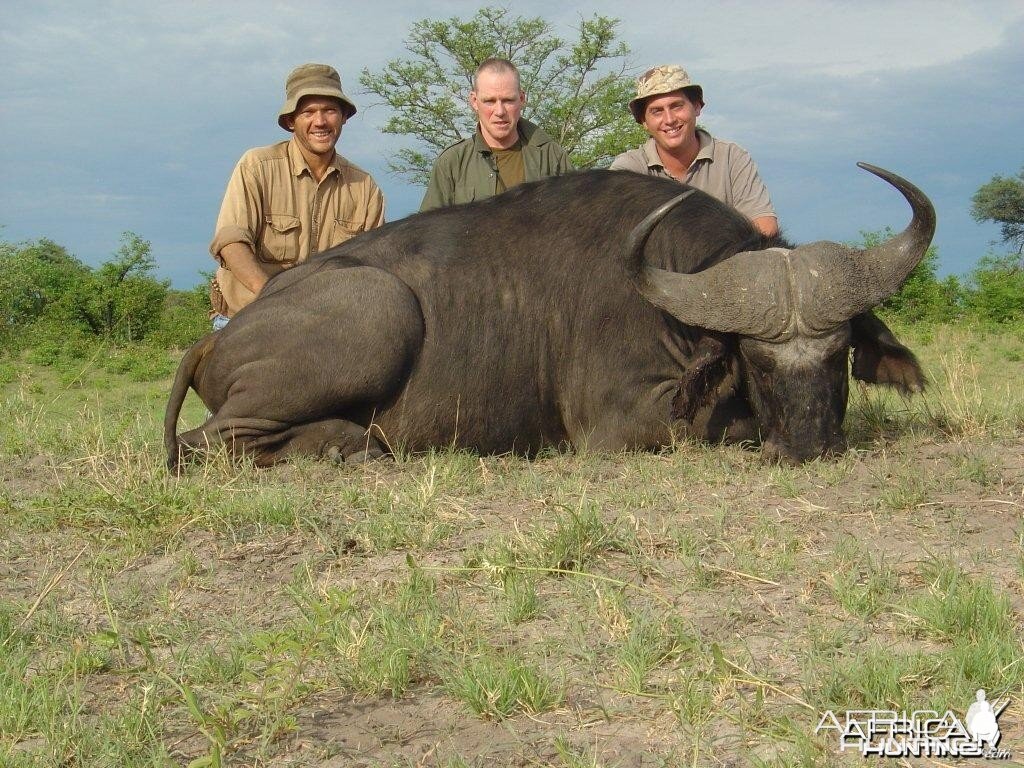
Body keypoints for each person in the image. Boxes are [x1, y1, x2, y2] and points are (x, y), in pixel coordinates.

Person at [209, 63, 385, 328]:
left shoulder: (365, 187)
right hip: (248, 319)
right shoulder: (256, 166)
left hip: (326, 325)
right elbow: (231, 242)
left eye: (330, 111)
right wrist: (275, 298)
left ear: (344, 117)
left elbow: (372, 270)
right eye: (308, 112)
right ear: (291, 121)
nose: (320, 121)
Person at [610, 65, 779, 237]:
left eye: (677, 106)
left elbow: (766, 228)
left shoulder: (731, 157)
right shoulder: (628, 168)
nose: (669, 120)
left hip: (728, 261)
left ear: (697, 107)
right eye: (657, 111)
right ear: (644, 122)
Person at [419, 58, 572, 212]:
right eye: (490, 101)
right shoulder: (452, 162)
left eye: (508, 100)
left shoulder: (552, 158)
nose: (499, 111)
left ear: (522, 99)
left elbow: (577, 225)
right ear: (474, 101)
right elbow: (425, 231)